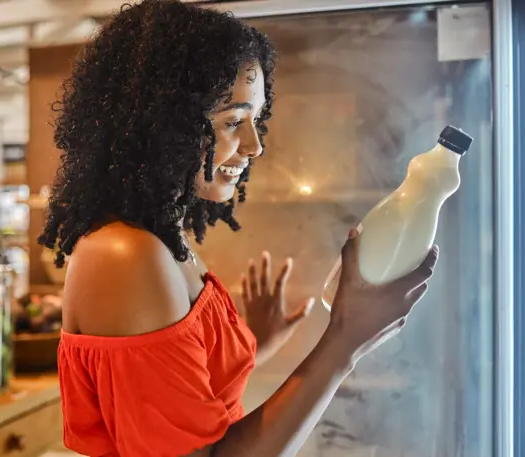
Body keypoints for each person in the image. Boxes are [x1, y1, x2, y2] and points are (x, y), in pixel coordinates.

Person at [38, 1, 439, 456]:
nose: (254, 145)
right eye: (233, 121)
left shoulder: (162, 238)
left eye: (256, 119)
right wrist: (345, 339)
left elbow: (185, 400)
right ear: (163, 122)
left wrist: (251, 347)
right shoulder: (124, 254)